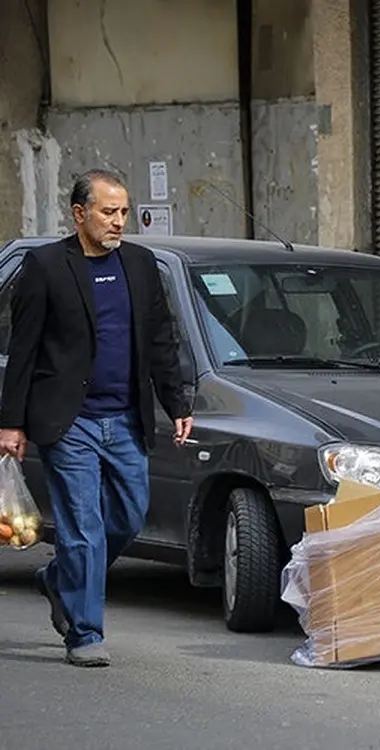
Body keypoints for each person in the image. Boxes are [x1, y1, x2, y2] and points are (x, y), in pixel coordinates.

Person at [0, 169, 194, 667]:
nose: (119, 222)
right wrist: (11, 423)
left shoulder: (141, 264)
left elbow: (161, 341)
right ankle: (84, 633)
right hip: (70, 422)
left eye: (124, 212)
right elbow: (22, 350)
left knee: (128, 516)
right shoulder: (45, 266)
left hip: (126, 419)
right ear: (79, 213)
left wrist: (177, 403)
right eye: (109, 212)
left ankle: (60, 578)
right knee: (82, 528)